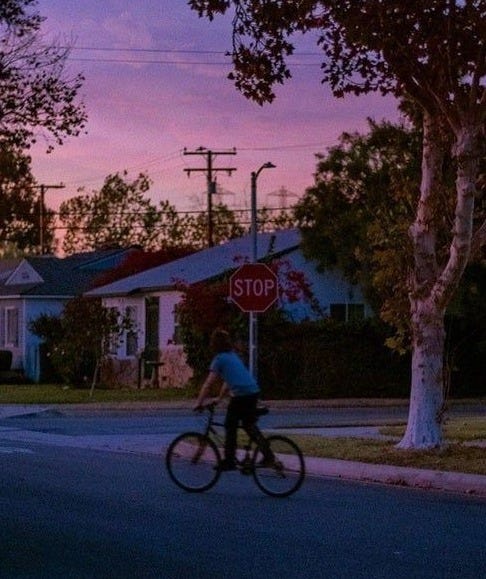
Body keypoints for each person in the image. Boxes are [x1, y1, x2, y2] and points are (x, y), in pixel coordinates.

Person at [194, 328, 273, 471]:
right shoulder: (232, 356)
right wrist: (219, 398)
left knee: (230, 424)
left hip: (242, 395)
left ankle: (229, 460)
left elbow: (208, 384)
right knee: (248, 425)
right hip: (252, 391)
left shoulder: (219, 359)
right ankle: (268, 455)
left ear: (214, 345)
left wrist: (198, 403)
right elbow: (228, 381)